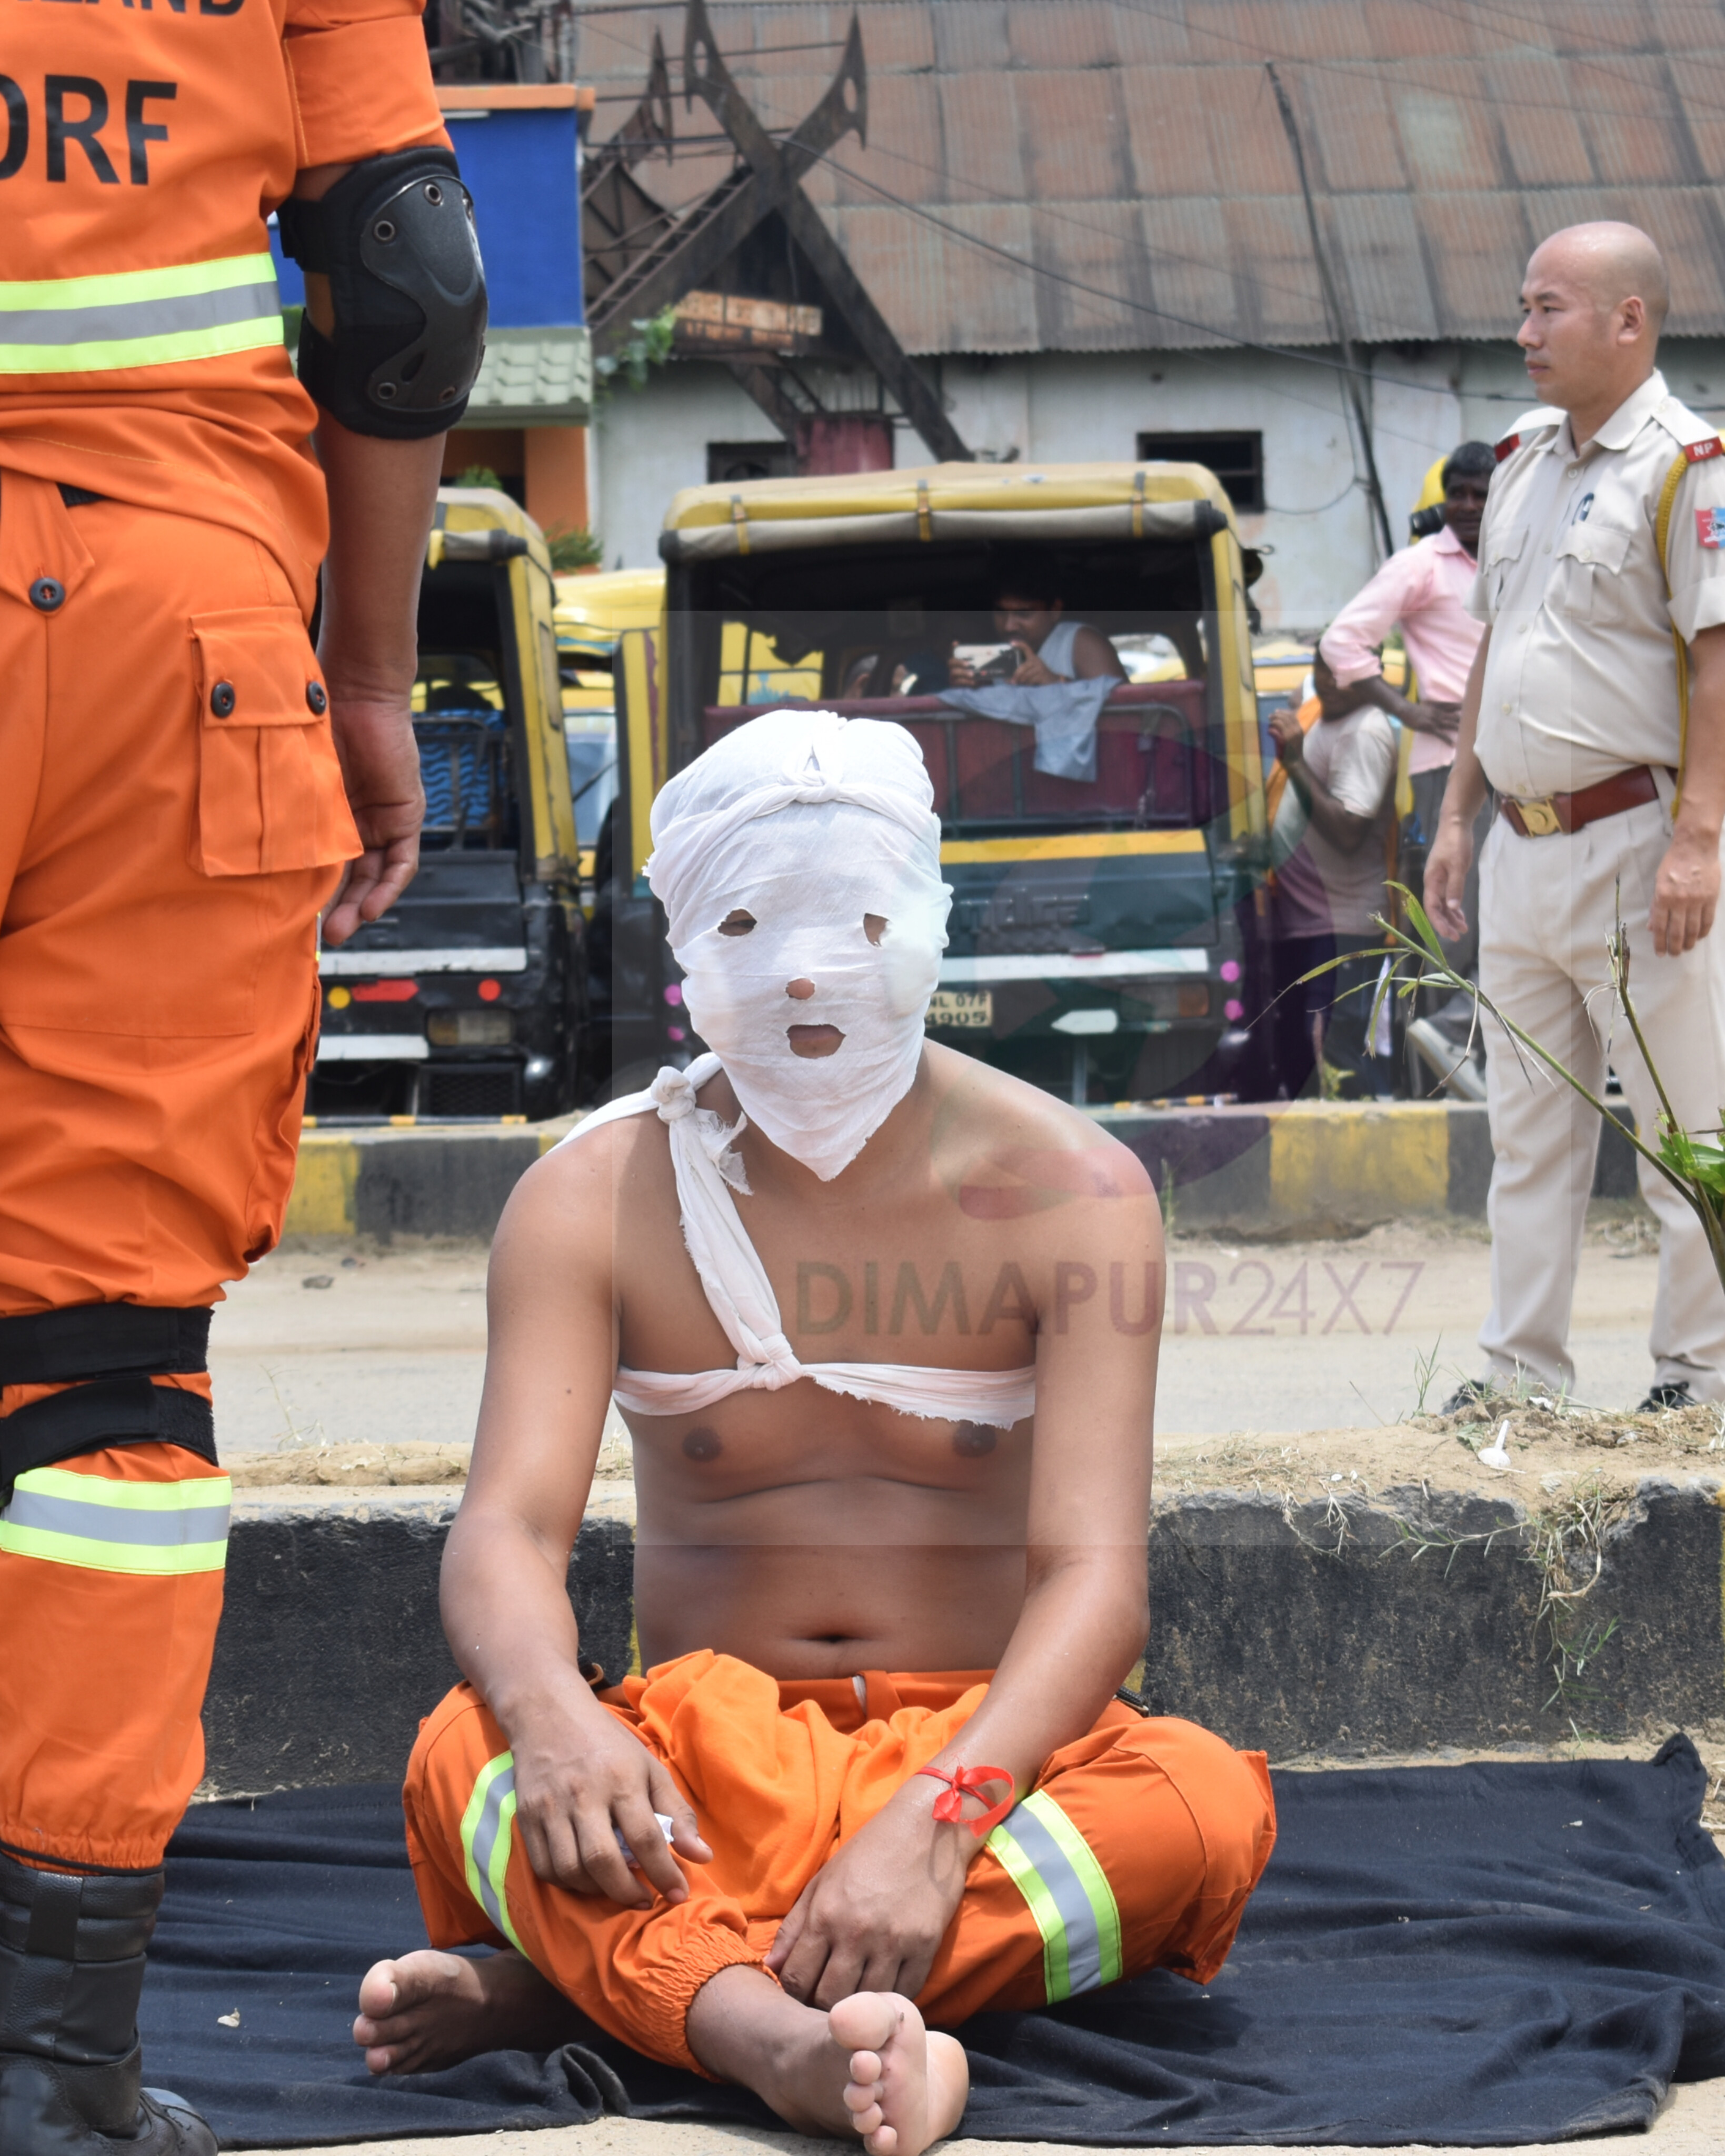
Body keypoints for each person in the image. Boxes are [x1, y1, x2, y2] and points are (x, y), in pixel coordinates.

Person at [352, 713, 1276, 2156]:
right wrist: (559, 1721)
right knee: (465, 1753)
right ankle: (789, 2034)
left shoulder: (1074, 1189)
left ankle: (644, 1994)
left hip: (979, 1756)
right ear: (682, 943)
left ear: (929, 924)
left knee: (1201, 1810)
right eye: (747, 923)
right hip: (702, 1770)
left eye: (857, 921)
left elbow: (1095, 1585)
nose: (801, 972)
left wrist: (941, 1819)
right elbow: (509, 1532)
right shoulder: (588, 1196)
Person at [0, 6, 481, 2149]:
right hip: (175, 633)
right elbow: (406, 276)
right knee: (99, 1368)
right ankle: (52, 2071)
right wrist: (364, 669)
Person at [1424, 222, 1725, 1413]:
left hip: (1638, 843)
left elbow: (1717, 666)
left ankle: (1697, 1379)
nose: (1524, 332)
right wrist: (1457, 816)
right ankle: (1521, 1379)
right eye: (1524, 306)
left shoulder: (1687, 465)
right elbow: (1495, 648)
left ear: (1627, 320)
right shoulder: (1521, 460)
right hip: (1523, 843)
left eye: (1548, 308)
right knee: (1529, 1136)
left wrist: (1698, 840)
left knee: (1684, 1129)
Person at [1320, 444, 1493, 985]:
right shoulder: (1420, 565)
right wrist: (1405, 710)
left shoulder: (1515, 560)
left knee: (1505, 917)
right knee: (1458, 919)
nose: (1467, 506)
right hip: (1446, 763)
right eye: (1457, 494)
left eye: (1480, 495)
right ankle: (1443, 1032)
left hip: (1515, 761)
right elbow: (1341, 641)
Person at [1265, 656, 1399, 1097]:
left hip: (1341, 922)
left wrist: (1295, 763)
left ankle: (1359, 1137)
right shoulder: (1317, 715)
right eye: (1323, 667)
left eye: (1343, 671)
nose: (1329, 680)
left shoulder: (1363, 731)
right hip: (1302, 919)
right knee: (1301, 1058)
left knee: (1331, 1051)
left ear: (1371, 674)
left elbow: (1347, 832)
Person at [948, 563, 1129, 687]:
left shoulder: (1080, 642)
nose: (1009, 626)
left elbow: (1122, 712)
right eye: (1000, 613)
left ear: (1055, 610)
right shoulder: (990, 653)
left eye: (1024, 614)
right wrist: (973, 691)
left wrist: (1055, 682)